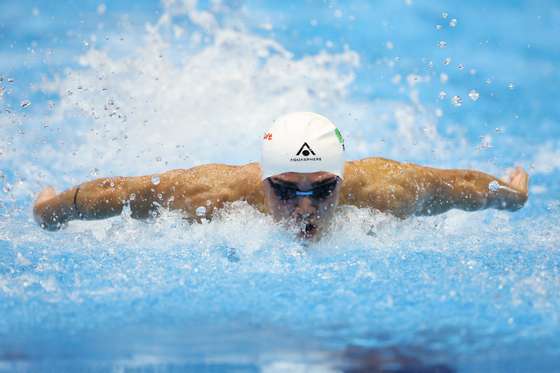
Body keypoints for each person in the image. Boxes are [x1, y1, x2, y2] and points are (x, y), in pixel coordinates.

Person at [33, 112, 529, 239]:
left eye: (323, 190)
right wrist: (50, 210)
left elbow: (463, 186)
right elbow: (117, 193)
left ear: (342, 179)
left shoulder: (385, 189)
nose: (307, 207)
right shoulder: (213, 195)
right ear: (263, 181)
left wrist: (510, 197)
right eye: (287, 192)